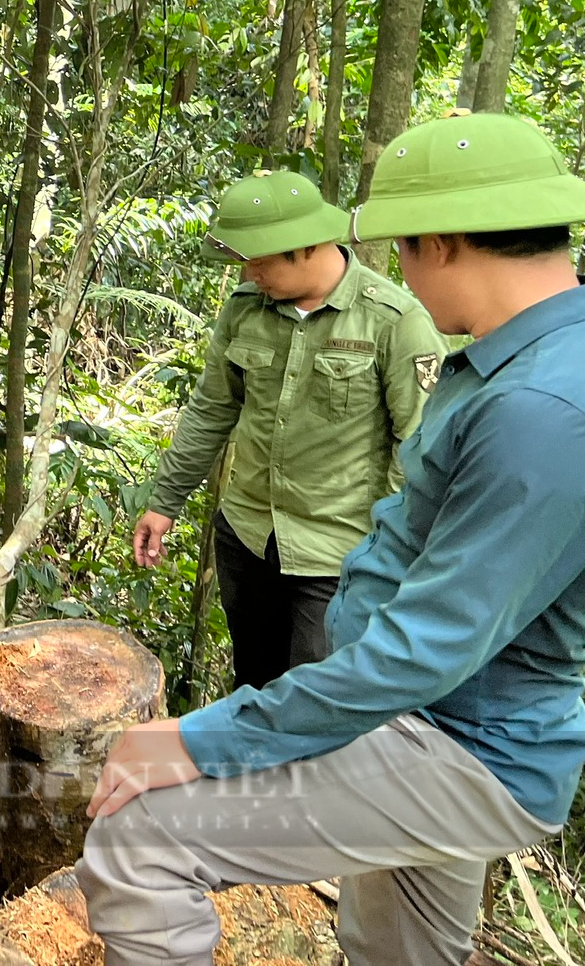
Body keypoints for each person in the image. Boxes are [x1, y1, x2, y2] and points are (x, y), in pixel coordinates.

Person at [78, 113, 585, 966]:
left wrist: (195, 738)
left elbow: (420, 654)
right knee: (395, 950)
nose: (407, 275)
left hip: (455, 741)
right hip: (429, 719)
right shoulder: (517, 364)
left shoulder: (545, 415)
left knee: (140, 838)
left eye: (405, 248)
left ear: (442, 243)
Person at [131, 170, 444, 691]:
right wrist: (164, 502)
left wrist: (383, 557)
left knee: (314, 708)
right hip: (248, 535)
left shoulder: (394, 321)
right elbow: (211, 410)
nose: (249, 274)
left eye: (258, 260)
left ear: (306, 246)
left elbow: (418, 449)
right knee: (252, 688)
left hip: (336, 556)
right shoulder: (244, 311)